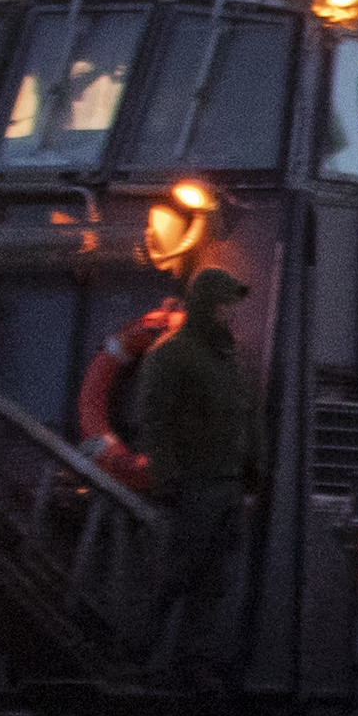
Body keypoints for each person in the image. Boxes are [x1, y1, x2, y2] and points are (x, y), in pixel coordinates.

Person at [128, 264, 267, 678]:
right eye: (225, 304)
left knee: (213, 582)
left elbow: (249, 416)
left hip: (227, 485)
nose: (231, 312)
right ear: (208, 305)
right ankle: (138, 657)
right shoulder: (171, 355)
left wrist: (255, 468)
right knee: (172, 577)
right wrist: (167, 477)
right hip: (192, 485)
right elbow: (153, 419)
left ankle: (193, 666)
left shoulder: (232, 358)